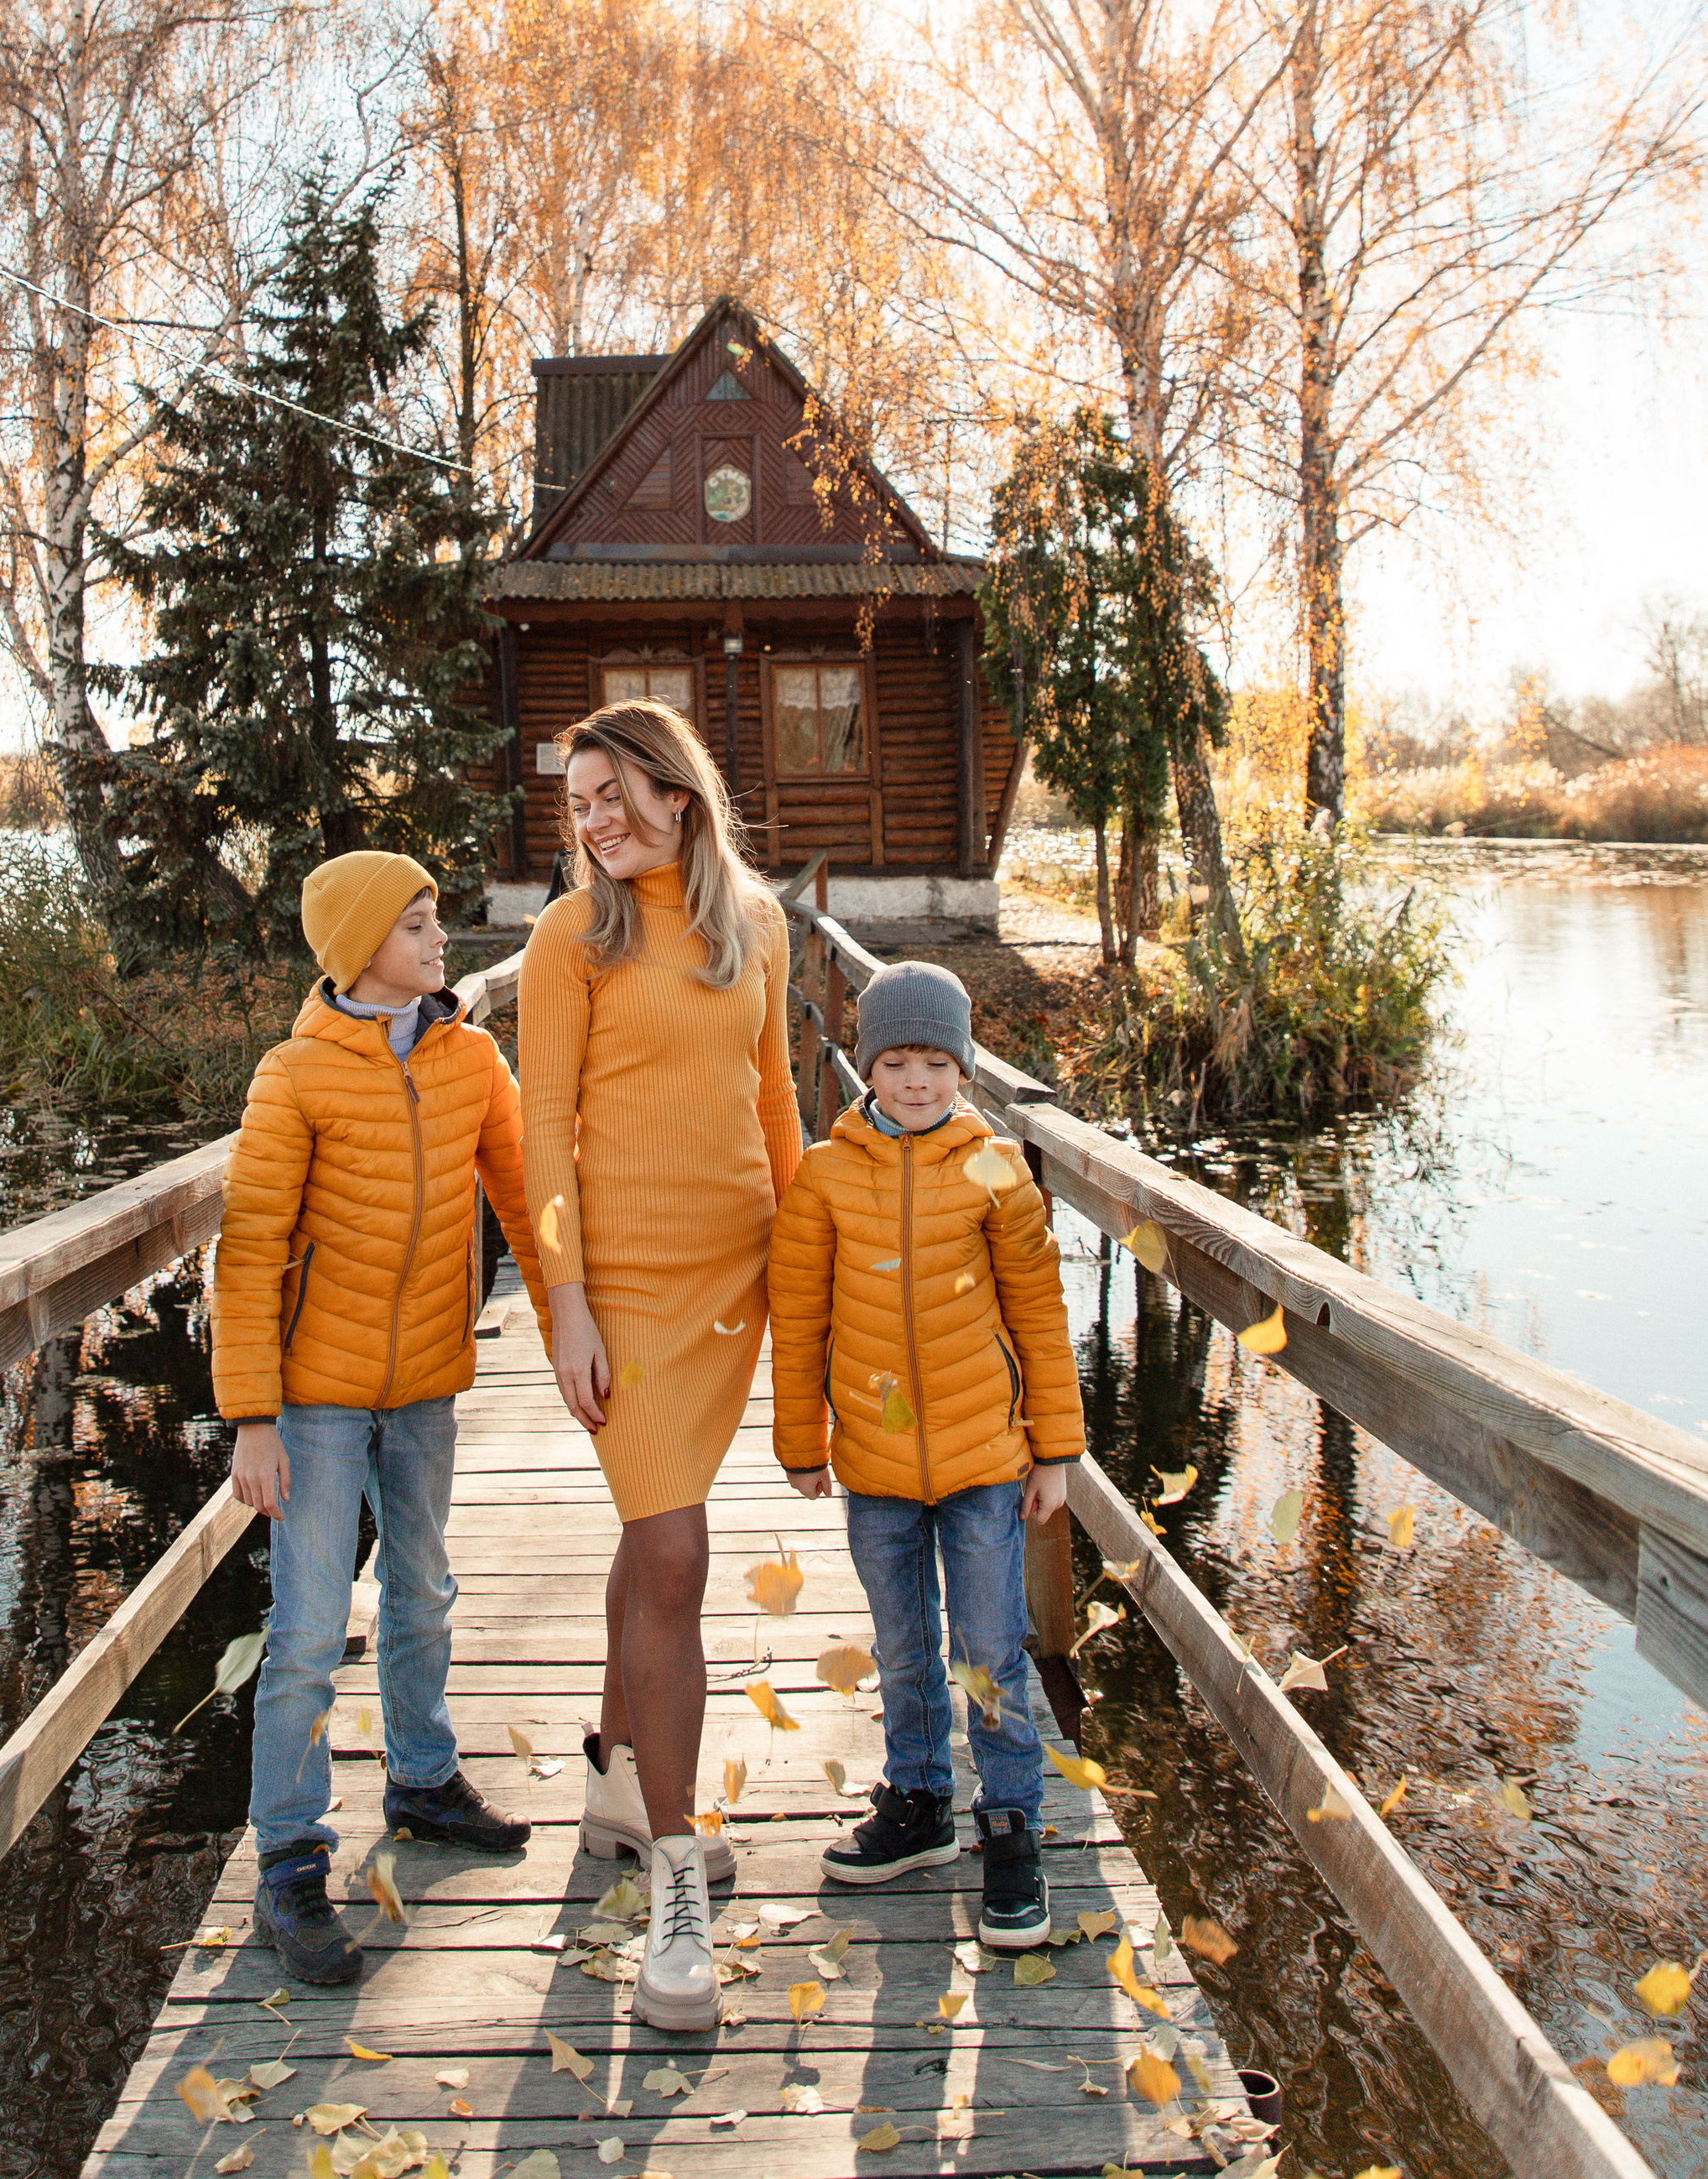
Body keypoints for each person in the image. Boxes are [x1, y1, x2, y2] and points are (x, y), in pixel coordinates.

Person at [217, 850, 550, 1987]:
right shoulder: (294, 1077)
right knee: (311, 1628)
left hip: (424, 1381)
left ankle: (422, 1779)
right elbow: (250, 1249)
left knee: (424, 1588)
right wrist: (251, 1415)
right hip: (313, 1395)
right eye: (416, 924)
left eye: (434, 919)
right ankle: (289, 1859)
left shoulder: (471, 1059)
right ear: (361, 948)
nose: (439, 937)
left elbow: (524, 1197)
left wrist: (568, 1323)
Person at [519, 699, 802, 2033]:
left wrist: (806, 1278)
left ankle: (618, 1789)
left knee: (654, 1538)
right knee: (677, 1548)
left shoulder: (760, 926)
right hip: (622, 1291)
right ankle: (679, 1885)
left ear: (677, 795)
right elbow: (544, 1135)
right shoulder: (568, 940)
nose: (596, 822)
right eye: (579, 804)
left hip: (733, 1277)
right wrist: (564, 1306)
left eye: (615, 795)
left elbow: (778, 1102)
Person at [766, 958, 1085, 1948]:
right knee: (903, 1645)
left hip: (985, 1460)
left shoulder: (995, 1169)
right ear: (866, 1067)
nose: (916, 1083)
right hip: (875, 1464)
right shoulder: (824, 1176)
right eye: (897, 1063)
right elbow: (799, 1317)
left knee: (988, 1650)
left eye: (937, 1064)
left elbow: (1038, 1312)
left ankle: (1010, 1827)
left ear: (963, 1068)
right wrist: (800, 1440)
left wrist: (1054, 1450)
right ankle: (917, 1800)